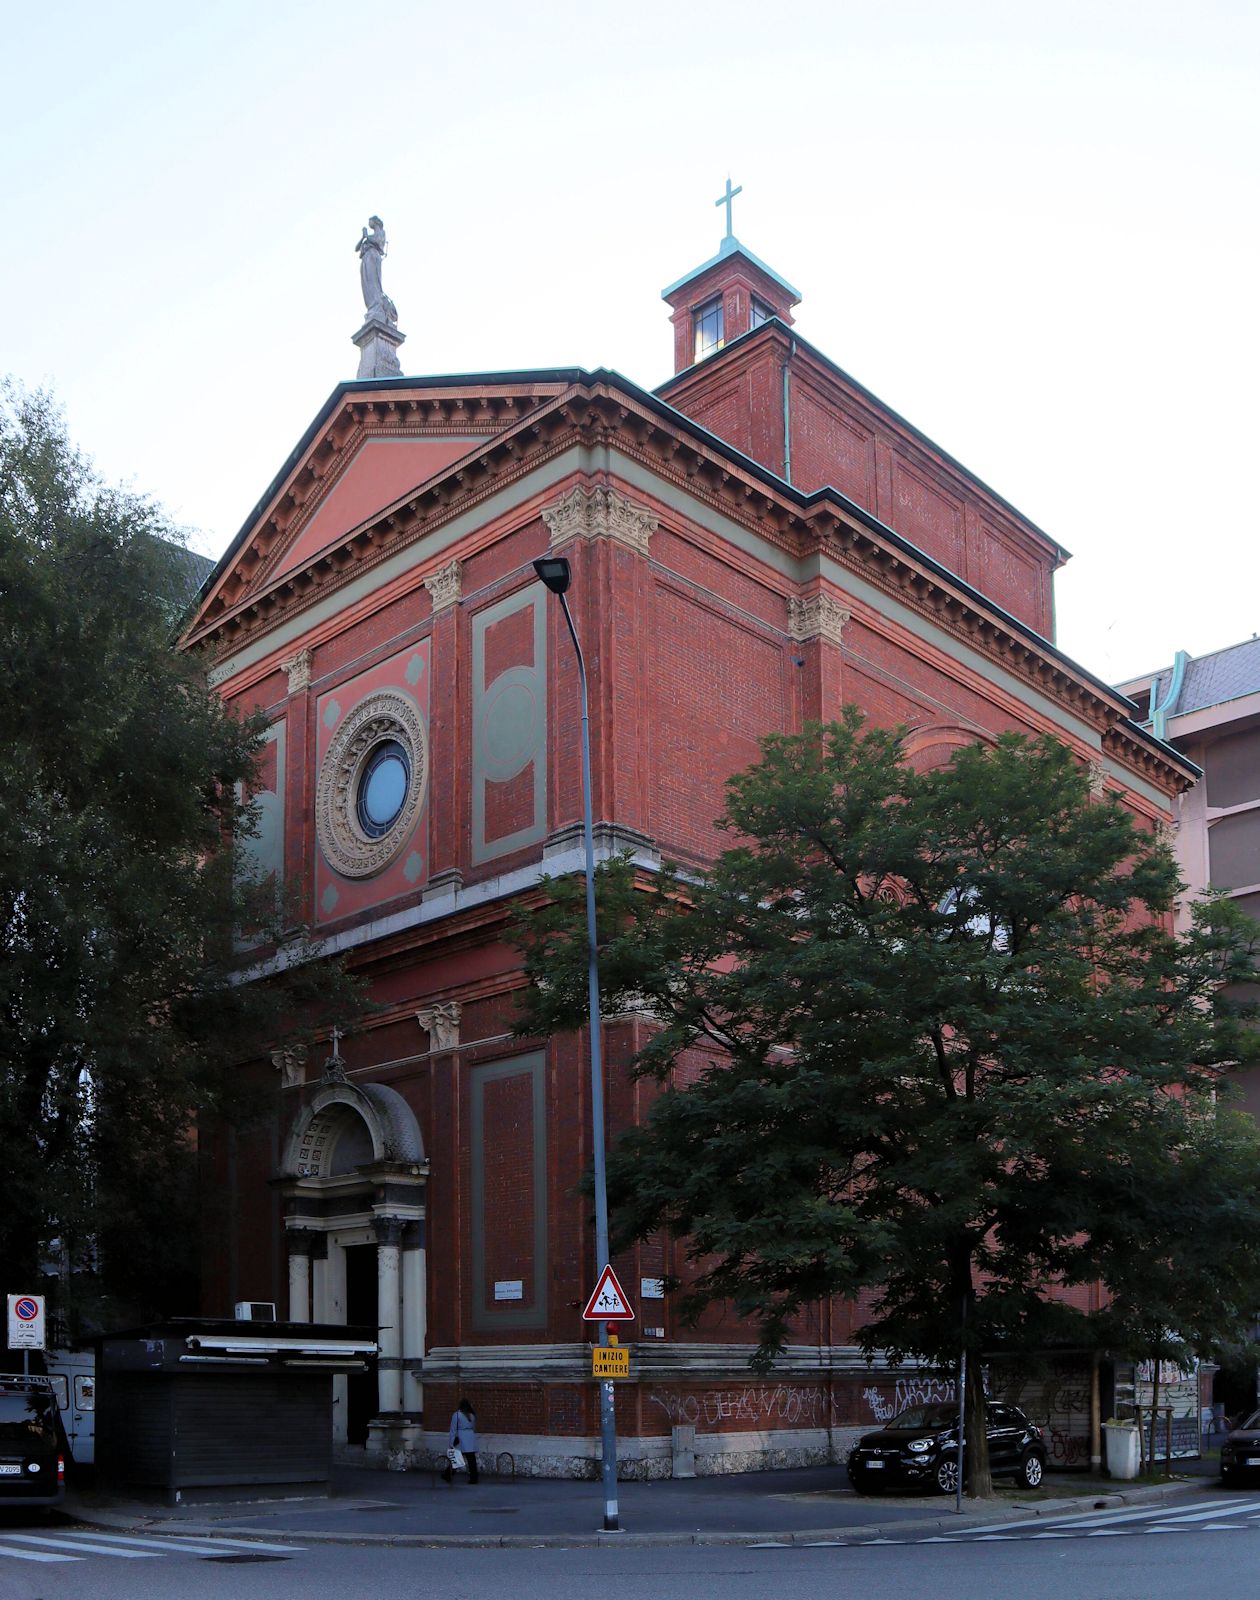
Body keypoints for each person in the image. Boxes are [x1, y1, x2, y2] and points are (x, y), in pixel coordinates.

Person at [442, 1397, 478, 1484]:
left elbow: (453, 1429)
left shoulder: (457, 1415)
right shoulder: (472, 1416)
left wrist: (451, 1442)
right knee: (471, 1460)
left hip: (461, 1437)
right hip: (470, 1437)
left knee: (457, 1458)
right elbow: (473, 1427)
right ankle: (474, 1478)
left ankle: (448, 1474)